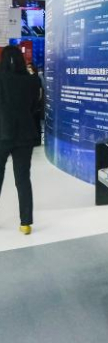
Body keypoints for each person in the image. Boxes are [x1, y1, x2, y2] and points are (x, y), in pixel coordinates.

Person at [0, 45, 42, 235]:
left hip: (2, 134)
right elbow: (35, 107)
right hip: (25, 135)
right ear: (20, 59)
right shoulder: (32, 81)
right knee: (23, 179)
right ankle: (25, 223)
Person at [26, 62, 44, 146]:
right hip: (32, 103)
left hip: (34, 104)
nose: (28, 69)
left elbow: (40, 92)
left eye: (29, 67)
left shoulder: (36, 78)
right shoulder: (31, 78)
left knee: (35, 122)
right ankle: (35, 140)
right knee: (34, 122)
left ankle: (36, 140)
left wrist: (37, 102)